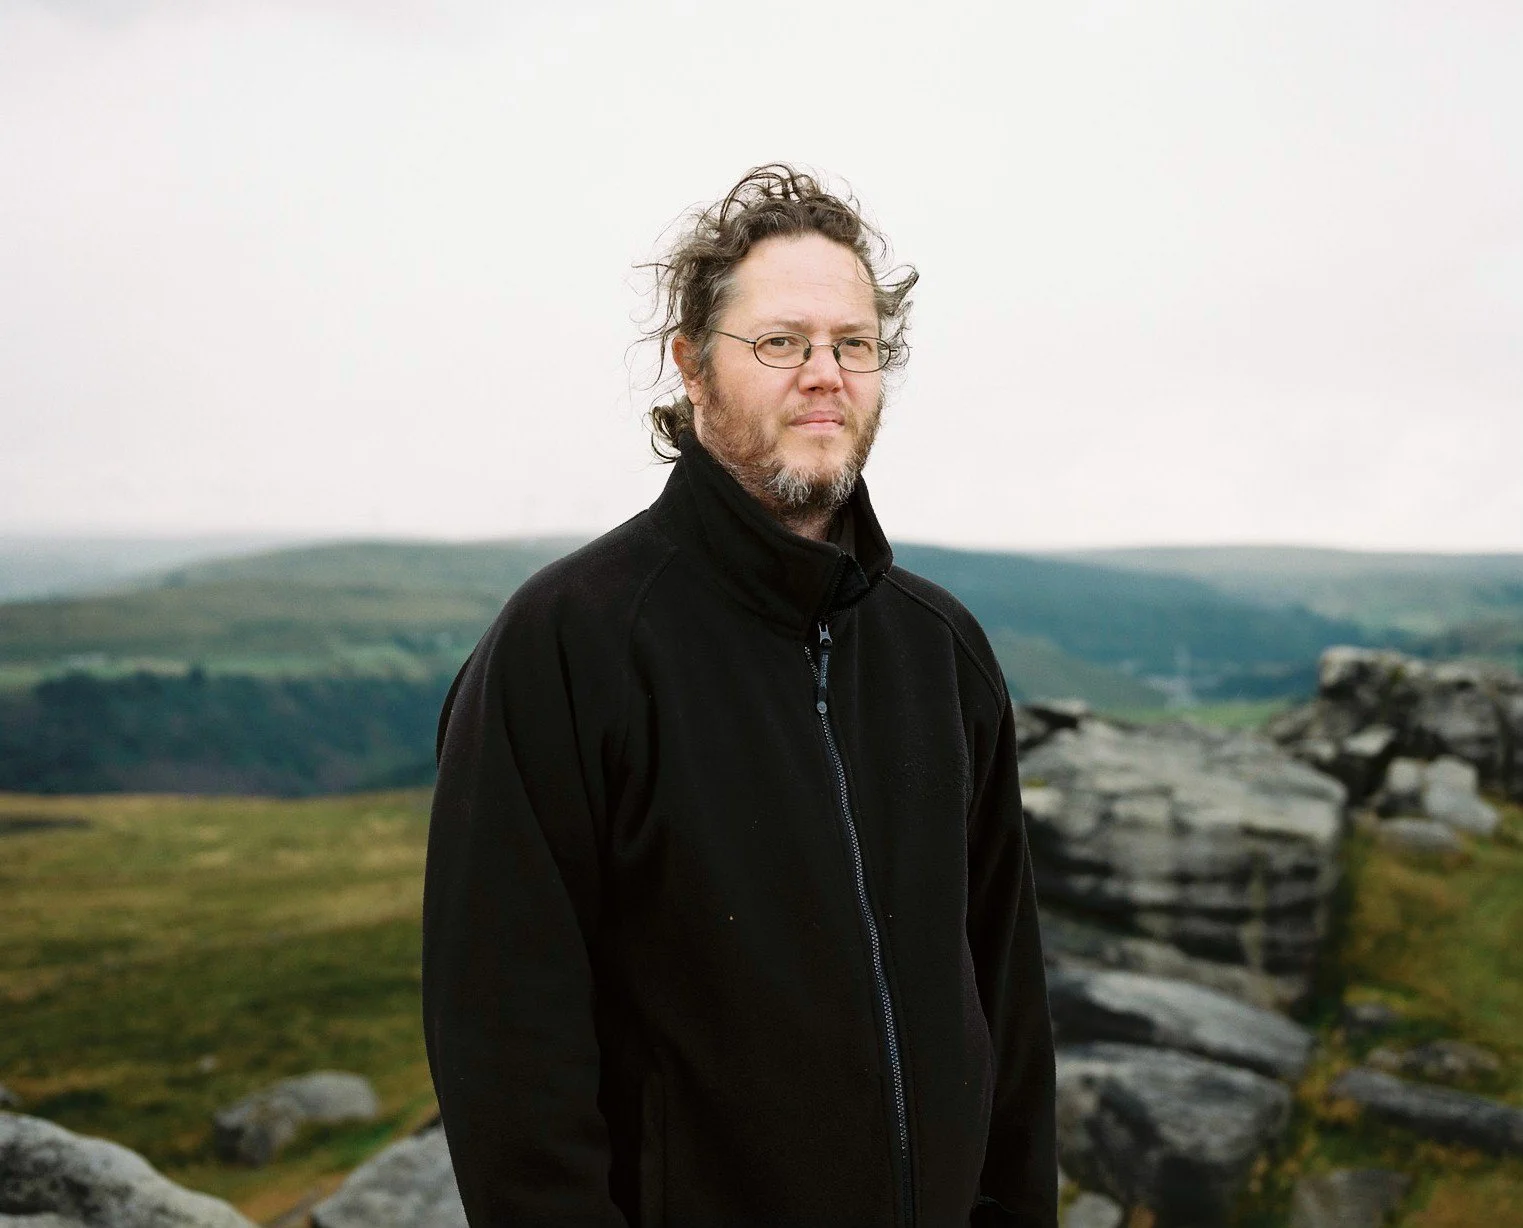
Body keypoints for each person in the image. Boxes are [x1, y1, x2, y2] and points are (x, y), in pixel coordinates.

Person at [422, 164, 1056, 1227]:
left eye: (852, 344)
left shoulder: (937, 648)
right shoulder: (570, 643)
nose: (824, 374)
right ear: (690, 368)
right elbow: (506, 1053)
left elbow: (1005, 1001)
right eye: (780, 343)